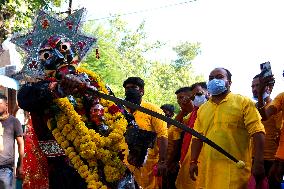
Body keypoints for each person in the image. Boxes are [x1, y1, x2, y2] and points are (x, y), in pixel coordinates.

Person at [189, 67, 265, 189]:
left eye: (219, 77)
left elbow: (258, 132)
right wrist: (193, 161)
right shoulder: (203, 109)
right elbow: (197, 137)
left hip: (235, 171)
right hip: (208, 171)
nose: (214, 80)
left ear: (229, 82)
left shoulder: (243, 102)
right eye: (211, 78)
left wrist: (259, 162)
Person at [123, 77, 168, 189]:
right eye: (127, 88)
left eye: (133, 87)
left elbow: (162, 135)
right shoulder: (121, 110)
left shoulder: (152, 109)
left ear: (142, 91)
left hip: (147, 164)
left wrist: (162, 162)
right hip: (124, 162)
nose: (130, 90)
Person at [175, 82, 209, 189]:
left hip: (205, 159)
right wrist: (184, 108)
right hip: (189, 157)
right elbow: (175, 125)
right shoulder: (194, 112)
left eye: (199, 94)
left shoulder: (213, 110)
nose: (196, 98)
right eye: (193, 97)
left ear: (208, 93)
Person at [251, 74, 282, 189]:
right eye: (252, 86)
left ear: (269, 87)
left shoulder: (276, 107)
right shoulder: (251, 107)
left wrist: (278, 163)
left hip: (272, 162)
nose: (255, 89)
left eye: (258, 85)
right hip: (252, 160)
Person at [0, 94, 24, 189]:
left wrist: (20, 165)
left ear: (6, 105)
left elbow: (21, 144)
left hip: (5, 169)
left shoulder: (14, 121)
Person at [160, 104, 178, 189]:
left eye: (165, 112)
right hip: (162, 162)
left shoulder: (174, 127)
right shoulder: (160, 127)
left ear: (171, 114)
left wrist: (171, 162)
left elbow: (176, 147)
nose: (163, 114)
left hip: (171, 163)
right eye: (161, 112)